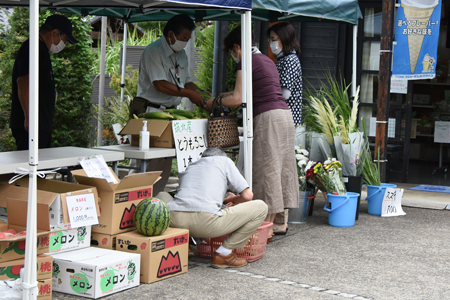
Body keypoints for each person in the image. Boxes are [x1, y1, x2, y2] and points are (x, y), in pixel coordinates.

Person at [204, 26, 299, 236]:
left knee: (268, 171)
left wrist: (213, 102)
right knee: (282, 169)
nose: (232, 56)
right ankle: (280, 223)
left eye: (231, 51)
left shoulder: (245, 62)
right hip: (285, 117)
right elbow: (246, 92)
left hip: (269, 118)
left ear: (237, 47)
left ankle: (265, 227)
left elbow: (237, 99)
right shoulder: (266, 60)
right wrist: (221, 96)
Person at [130, 14, 210, 195]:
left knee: (165, 161)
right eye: (183, 39)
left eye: (188, 39)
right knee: (147, 161)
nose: (185, 43)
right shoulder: (154, 51)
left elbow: (187, 82)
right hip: (150, 112)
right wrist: (189, 94)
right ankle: (135, 200)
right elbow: (159, 84)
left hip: (171, 114)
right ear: (171, 34)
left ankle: (155, 200)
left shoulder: (181, 55)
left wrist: (202, 94)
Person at [158, 147, 268, 268]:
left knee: (162, 195)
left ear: (203, 157)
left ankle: (185, 243)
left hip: (175, 221)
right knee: (261, 207)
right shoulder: (224, 161)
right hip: (206, 223)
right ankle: (224, 253)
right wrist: (233, 199)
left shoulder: (192, 165)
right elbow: (247, 196)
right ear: (222, 156)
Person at [10, 14, 78, 150]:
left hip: (39, 122)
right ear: (54, 32)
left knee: (40, 166)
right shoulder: (33, 48)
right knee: (29, 165)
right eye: (64, 39)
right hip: (32, 124)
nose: (63, 44)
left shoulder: (40, 49)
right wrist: (29, 116)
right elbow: (23, 82)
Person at [267, 22, 302, 127]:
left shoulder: (289, 60)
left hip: (286, 119)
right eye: (270, 40)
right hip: (284, 117)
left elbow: (285, 94)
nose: (271, 44)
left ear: (285, 38)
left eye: (274, 40)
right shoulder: (283, 59)